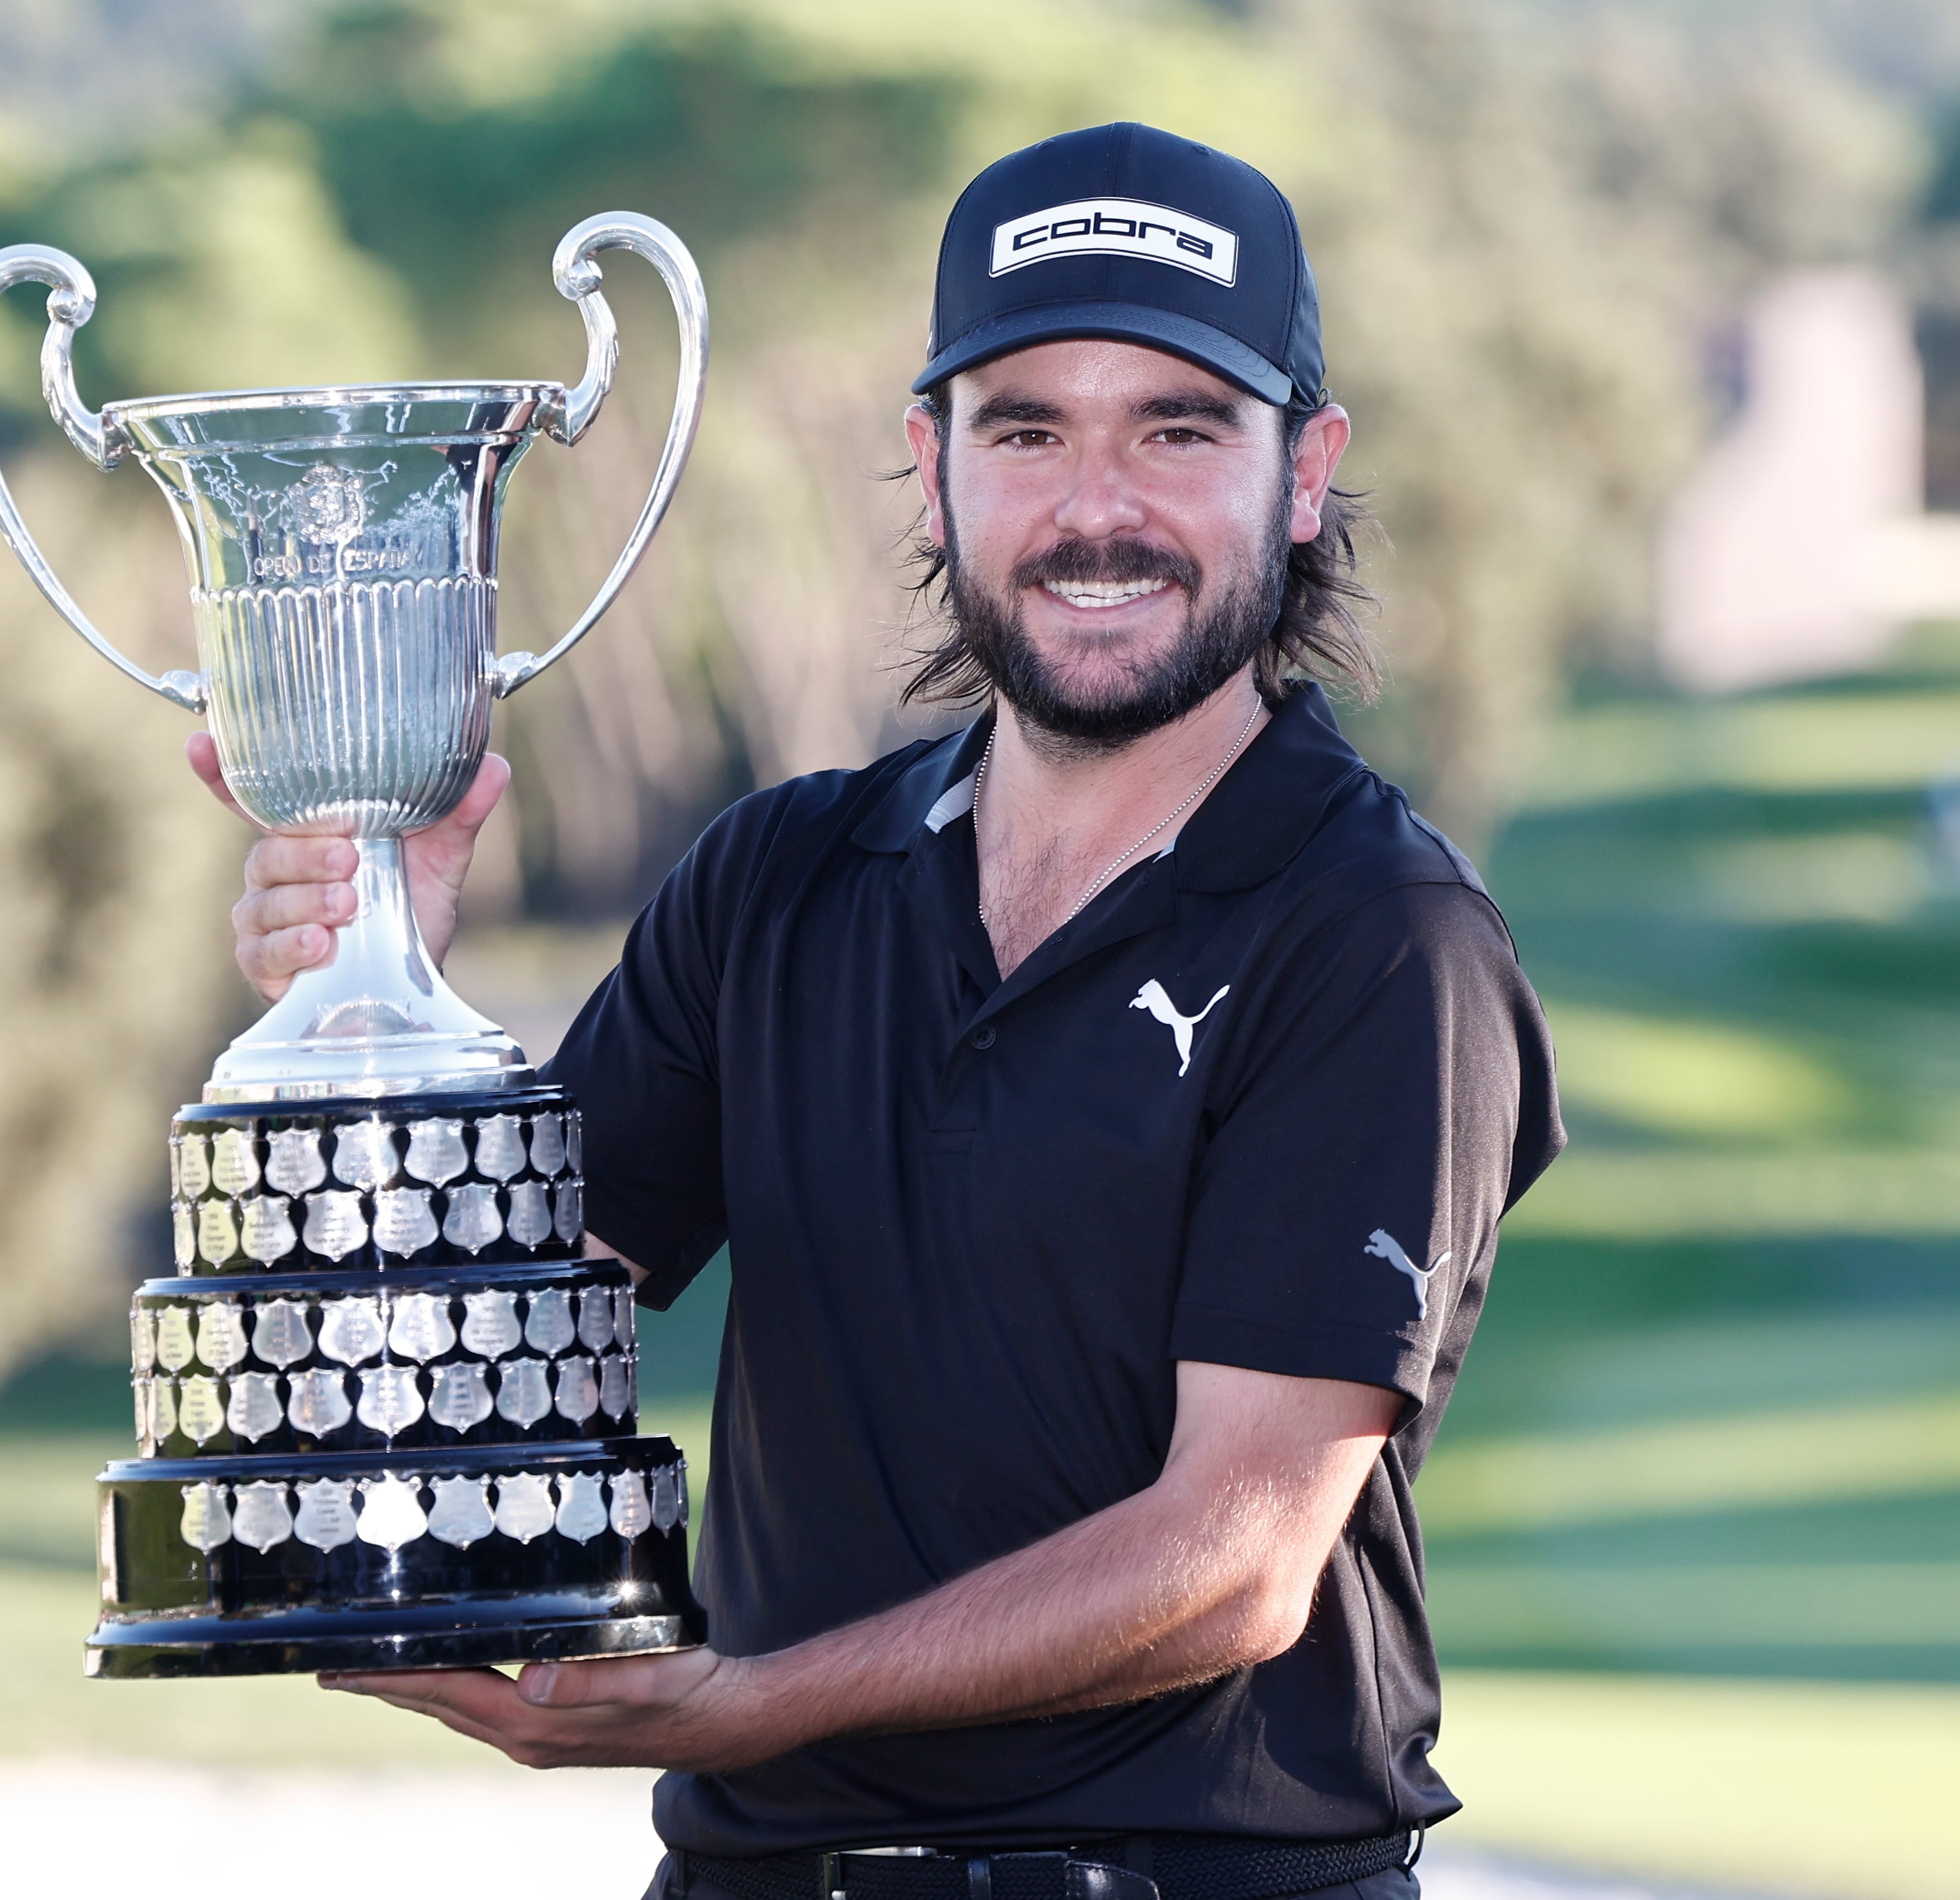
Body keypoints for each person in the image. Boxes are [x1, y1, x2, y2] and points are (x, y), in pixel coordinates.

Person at [197, 123, 1561, 1900]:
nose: (1099, 509)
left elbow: (1237, 1561)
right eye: (1027, 431)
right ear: (933, 472)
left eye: (1179, 428)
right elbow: (490, 1354)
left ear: (1304, 472)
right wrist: (381, 1002)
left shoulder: (1378, 934)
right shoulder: (778, 879)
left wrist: (742, 1705)